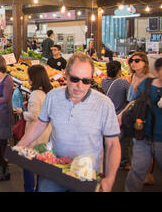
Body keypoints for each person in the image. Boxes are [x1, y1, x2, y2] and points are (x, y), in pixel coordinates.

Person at [17, 53, 121, 192]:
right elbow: (40, 123)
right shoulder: (53, 97)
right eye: (74, 79)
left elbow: (113, 143)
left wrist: (110, 178)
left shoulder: (104, 104)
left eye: (86, 81)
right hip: (54, 169)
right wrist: (21, 145)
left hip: (87, 174)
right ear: (65, 74)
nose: (80, 85)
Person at [124, 57, 162, 192]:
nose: (133, 64)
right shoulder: (146, 84)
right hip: (143, 136)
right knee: (137, 171)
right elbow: (134, 102)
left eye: (137, 60)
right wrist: (121, 114)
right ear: (157, 71)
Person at [14, 64, 53, 192]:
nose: (28, 80)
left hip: (35, 138)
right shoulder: (48, 92)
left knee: (29, 168)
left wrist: (22, 112)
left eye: (29, 77)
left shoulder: (36, 94)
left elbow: (35, 116)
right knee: (41, 169)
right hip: (46, 136)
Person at [119, 52, 153, 172]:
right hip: (130, 110)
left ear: (145, 63)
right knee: (128, 139)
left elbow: (141, 100)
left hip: (141, 113)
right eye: (131, 61)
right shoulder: (133, 76)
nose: (133, 63)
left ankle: (147, 173)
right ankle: (130, 164)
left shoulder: (149, 79)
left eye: (137, 61)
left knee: (143, 143)